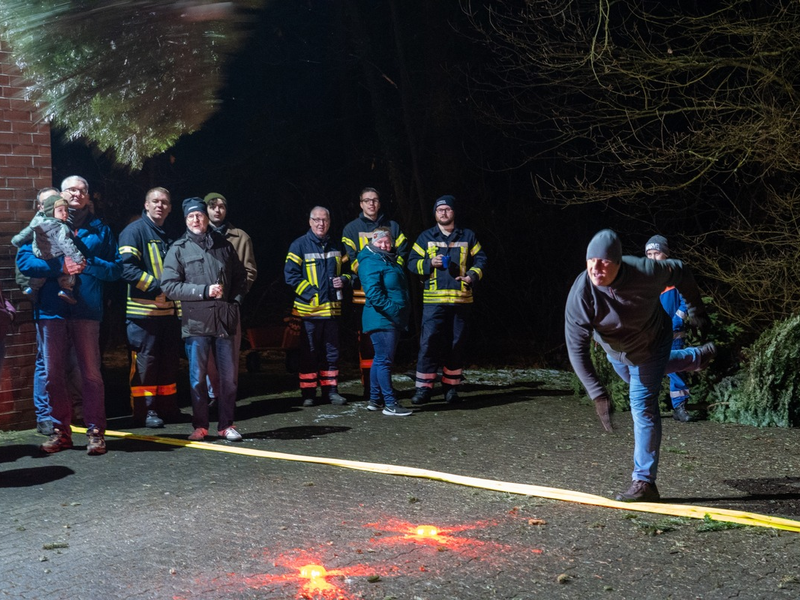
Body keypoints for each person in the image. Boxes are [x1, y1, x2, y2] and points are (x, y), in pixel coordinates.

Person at [565, 229, 716, 502]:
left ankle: (645, 482)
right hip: (617, 353)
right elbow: (577, 349)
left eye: (604, 262)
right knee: (635, 379)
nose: (596, 268)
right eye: (591, 261)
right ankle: (695, 358)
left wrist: (696, 310)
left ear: (619, 262)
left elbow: (680, 270)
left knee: (642, 403)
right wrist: (597, 393)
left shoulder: (645, 271)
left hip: (652, 343)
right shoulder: (581, 295)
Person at [18, 175, 123, 455]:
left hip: (87, 311)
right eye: (71, 190)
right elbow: (24, 261)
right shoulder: (42, 223)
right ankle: (59, 432)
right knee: (53, 375)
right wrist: (59, 266)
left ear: (88, 197)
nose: (77, 194)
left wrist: (87, 264)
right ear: (60, 195)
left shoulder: (100, 230)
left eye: (83, 190)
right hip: (51, 311)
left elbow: (115, 269)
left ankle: (96, 432)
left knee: (90, 374)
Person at [161, 198, 248, 442]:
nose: (196, 220)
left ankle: (226, 425)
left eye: (199, 215)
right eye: (191, 216)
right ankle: (200, 426)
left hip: (224, 321)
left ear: (207, 218)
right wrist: (202, 291)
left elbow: (241, 277)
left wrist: (236, 301)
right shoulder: (178, 248)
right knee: (197, 378)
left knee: (229, 378)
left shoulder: (224, 245)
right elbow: (168, 286)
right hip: (196, 324)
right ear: (186, 220)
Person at [407, 195, 487, 405]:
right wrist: (428, 263)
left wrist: (472, 275)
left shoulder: (467, 236)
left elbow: (481, 259)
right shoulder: (425, 237)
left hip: (461, 300)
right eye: (439, 210)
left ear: (453, 212)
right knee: (428, 343)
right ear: (435, 214)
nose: (443, 213)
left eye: (447, 209)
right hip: (434, 301)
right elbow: (411, 262)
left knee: (456, 345)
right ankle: (423, 389)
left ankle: (451, 388)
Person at [118, 187, 181, 428]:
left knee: (167, 363)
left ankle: (167, 407)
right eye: (155, 201)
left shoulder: (171, 233)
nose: (160, 206)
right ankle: (146, 411)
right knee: (146, 364)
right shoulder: (133, 232)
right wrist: (159, 288)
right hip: (142, 314)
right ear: (146, 205)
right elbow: (127, 268)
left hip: (169, 313)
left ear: (170, 207)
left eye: (165, 202)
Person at [342, 187, 408, 396]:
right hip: (363, 296)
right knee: (367, 347)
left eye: (375, 200)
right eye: (367, 200)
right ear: (360, 204)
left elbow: (402, 254)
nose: (371, 204)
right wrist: (373, 274)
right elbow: (352, 261)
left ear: (379, 203)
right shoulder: (351, 229)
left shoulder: (393, 226)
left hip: (389, 296)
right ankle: (369, 387)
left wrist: (390, 273)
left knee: (386, 349)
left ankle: (380, 389)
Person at [284, 206, 351, 407]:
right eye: (317, 220)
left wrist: (345, 280)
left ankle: (331, 391)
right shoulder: (299, 245)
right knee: (309, 354)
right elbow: (290, 275)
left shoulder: (337, 245)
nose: (321, 224)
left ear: (329, 222)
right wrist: (311, 293)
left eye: (324, 220)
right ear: (310, 222)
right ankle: (308, 393)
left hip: (332, 312)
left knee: (332, 354)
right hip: (309, 312)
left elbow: (350, 271)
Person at [204, 192, 257, 395]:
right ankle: (212, 395)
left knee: (229, 353)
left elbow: (249, 270)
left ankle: (228, 397)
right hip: (204, 305)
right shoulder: (197, 234)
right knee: (207, 353)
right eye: (212, 206)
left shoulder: (240, 237)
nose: (217, 210)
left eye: (221, 206)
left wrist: (237, 297)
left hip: (229, 305)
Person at [358, 227, 412, 416]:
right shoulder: (370, 261)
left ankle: (375, 400)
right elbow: (373, 293)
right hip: (382, 319)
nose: (384, 245)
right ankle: (390, 403)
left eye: (387, 241)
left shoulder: (387, 259)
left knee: (379, 359)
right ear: (373, 242)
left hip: (388, 318)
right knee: (384, 361)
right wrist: (395, 310)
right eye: (380, 242)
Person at [645, 235, 698, 423]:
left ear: (665, 254)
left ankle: (680, 407)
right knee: (649, 371)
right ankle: (649, 409)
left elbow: (688, 299)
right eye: (649, 253)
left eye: (656, 253)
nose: (652, 257)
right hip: (651, 334)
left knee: (677, 368)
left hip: (674, 333)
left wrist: (678, 318)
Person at [11, 193, 85, 304]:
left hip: (41, 254)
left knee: (41, 274)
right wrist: (69, 262)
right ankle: (66, 289)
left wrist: (19, 242)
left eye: (66, 210)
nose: (65, 213)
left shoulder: (37, 226)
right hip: (47, 305)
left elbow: (25, 236)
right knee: (67, 274)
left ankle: (32, 288)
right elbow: (25, 264)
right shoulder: (60, 227)